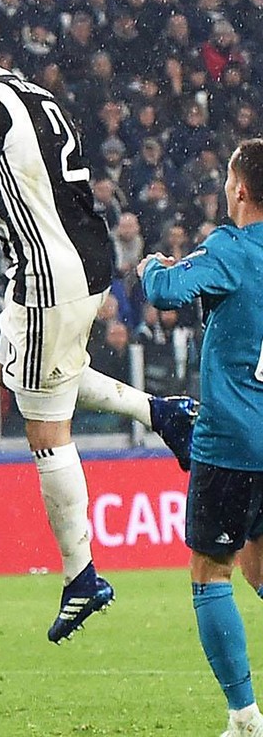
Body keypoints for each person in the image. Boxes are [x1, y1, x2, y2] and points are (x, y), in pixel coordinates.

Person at [0, 25, 199, 644]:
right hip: (82, 262)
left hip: (44, 272)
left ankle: (81, 573)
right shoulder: (31, 93)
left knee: (43, 426)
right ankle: (165, 414)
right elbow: (34, 183)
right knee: (39, 378)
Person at [140, 139, 263, 737]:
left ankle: (243, 716)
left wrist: (151, 267)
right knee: (260, 567)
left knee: (211, 571)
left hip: (231, 444)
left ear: (238, 190)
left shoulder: (229, 249)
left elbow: (165, 294)